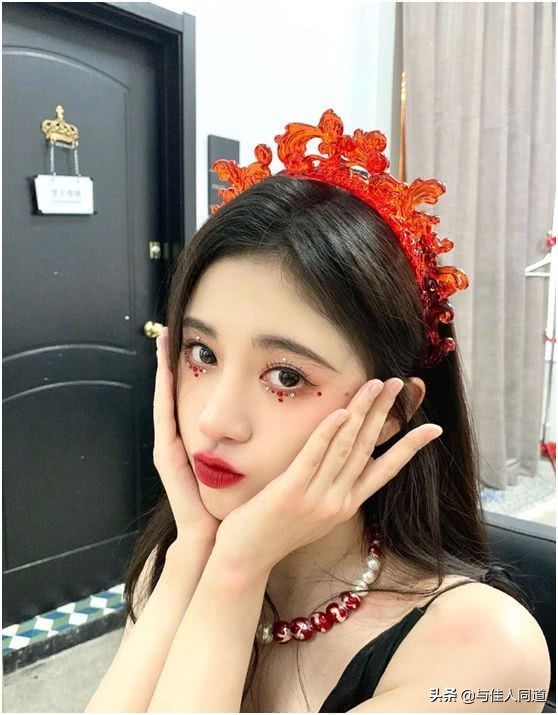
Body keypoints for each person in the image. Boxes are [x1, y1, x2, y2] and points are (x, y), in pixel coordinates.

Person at [85, 109, 551, 713]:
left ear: (393, 411)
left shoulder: (487, 653)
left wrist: (235, 572)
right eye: (202, 353)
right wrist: (194, 557)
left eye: (286, 377)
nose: (215, 421)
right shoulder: (177, 558)